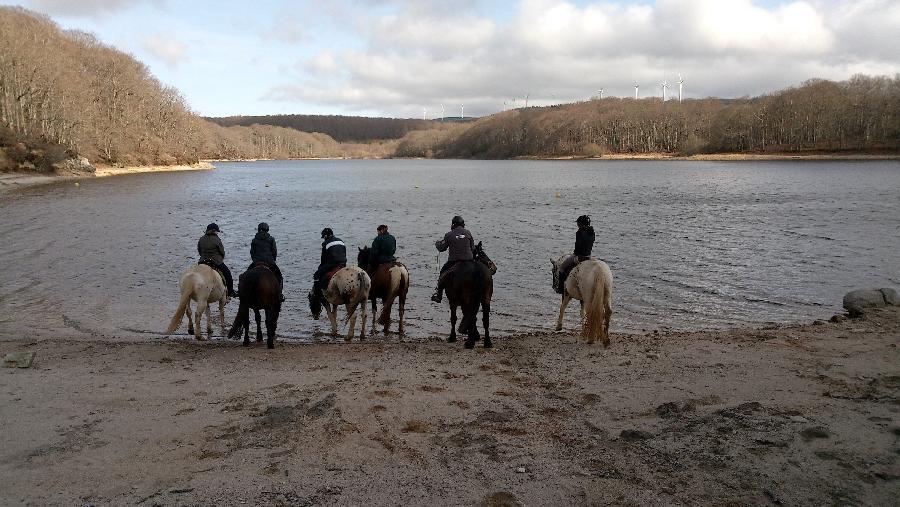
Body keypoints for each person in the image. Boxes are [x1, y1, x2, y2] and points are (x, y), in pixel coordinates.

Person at [431, 215, 474, 303]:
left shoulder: (449, 234)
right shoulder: (468, 233)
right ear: (463, 224)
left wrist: (437, 244)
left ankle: (438, 295)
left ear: (453, 224)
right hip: (469, 261)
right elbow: (472, 248)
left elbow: (442, 248)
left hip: (454, 261)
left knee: (442, 273)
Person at [556, 215, 595, 294]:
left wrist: (575, 254)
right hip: (589, 257)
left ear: (581, 224)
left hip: (580, 257)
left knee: (562, 268)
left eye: (578, 223)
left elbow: (578, 247)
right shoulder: (592, 232)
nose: (577, 225)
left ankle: (560, 289)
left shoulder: (579, 232)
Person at [197, 223, 237, 298]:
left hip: (202, 261)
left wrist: (203, 257)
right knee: (227, 273)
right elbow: (222, 251)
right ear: (213, 231)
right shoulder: (216, 239)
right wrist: (221, 258)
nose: (217, 233)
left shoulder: (201, 239)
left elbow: (199, 250)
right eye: (216, 231)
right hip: (215, 261)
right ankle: (231, 292)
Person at [248, 222, 284, 301]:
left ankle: (244, 293)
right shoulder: (271, 239)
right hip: (269, 262)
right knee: (279, 277)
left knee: (247, 274)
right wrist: (272, 261)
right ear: (267, 230)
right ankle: (280, 294)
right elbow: (274, 251)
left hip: (256, 262)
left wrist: (255, 261)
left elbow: (252, 252)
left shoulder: (254, 240)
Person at [311, 228, 347, 302]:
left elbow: (323, 259)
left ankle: (319, 296)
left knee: (317, 275)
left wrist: (320, 268)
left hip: (332, 263)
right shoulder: (341, 241)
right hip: (343, 263)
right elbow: (344, 253)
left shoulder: (326, 244)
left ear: (325, 236)